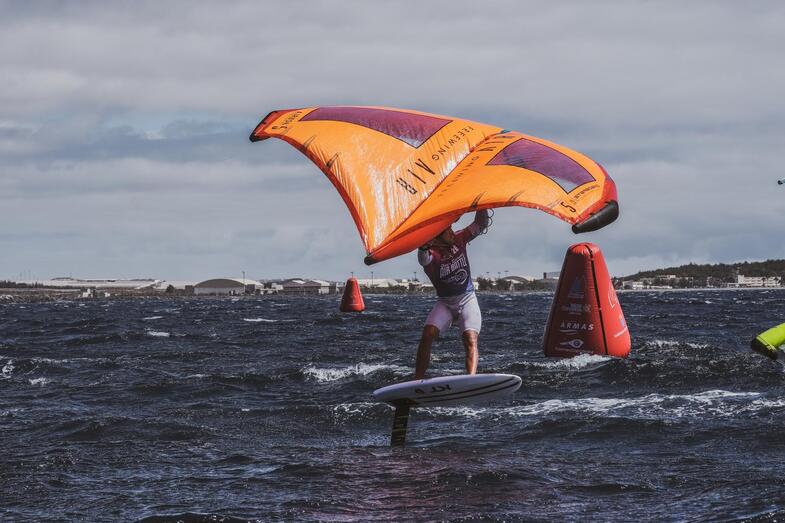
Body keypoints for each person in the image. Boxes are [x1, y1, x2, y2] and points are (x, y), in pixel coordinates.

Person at [414, 209, 490, 379]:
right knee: (427, 335)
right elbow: (422, 257)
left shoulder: (460, 238)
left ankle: (470, 379)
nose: (451, 232)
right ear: (436, 237)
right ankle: (417, 380)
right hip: (445, 303)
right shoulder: (430, 255)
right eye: (447, 230)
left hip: (467, 298)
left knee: (470, 338)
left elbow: (480, 224)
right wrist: (424, 241)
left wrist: (483, 204)